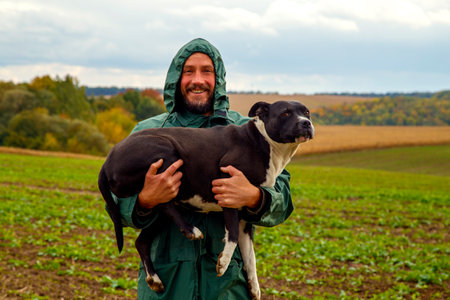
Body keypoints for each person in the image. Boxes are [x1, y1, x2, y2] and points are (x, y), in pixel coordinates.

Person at [111, 38, 293, 299]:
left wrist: (255, 197)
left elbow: (283, 199)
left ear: (218, 79)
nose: (198, 79)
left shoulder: (253, 130)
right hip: (168, 287)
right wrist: (145, 200)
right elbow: (117, 204)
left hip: (227, 289)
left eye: (207, 71)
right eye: (188, 71)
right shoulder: (149, 133)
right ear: (176, 78)